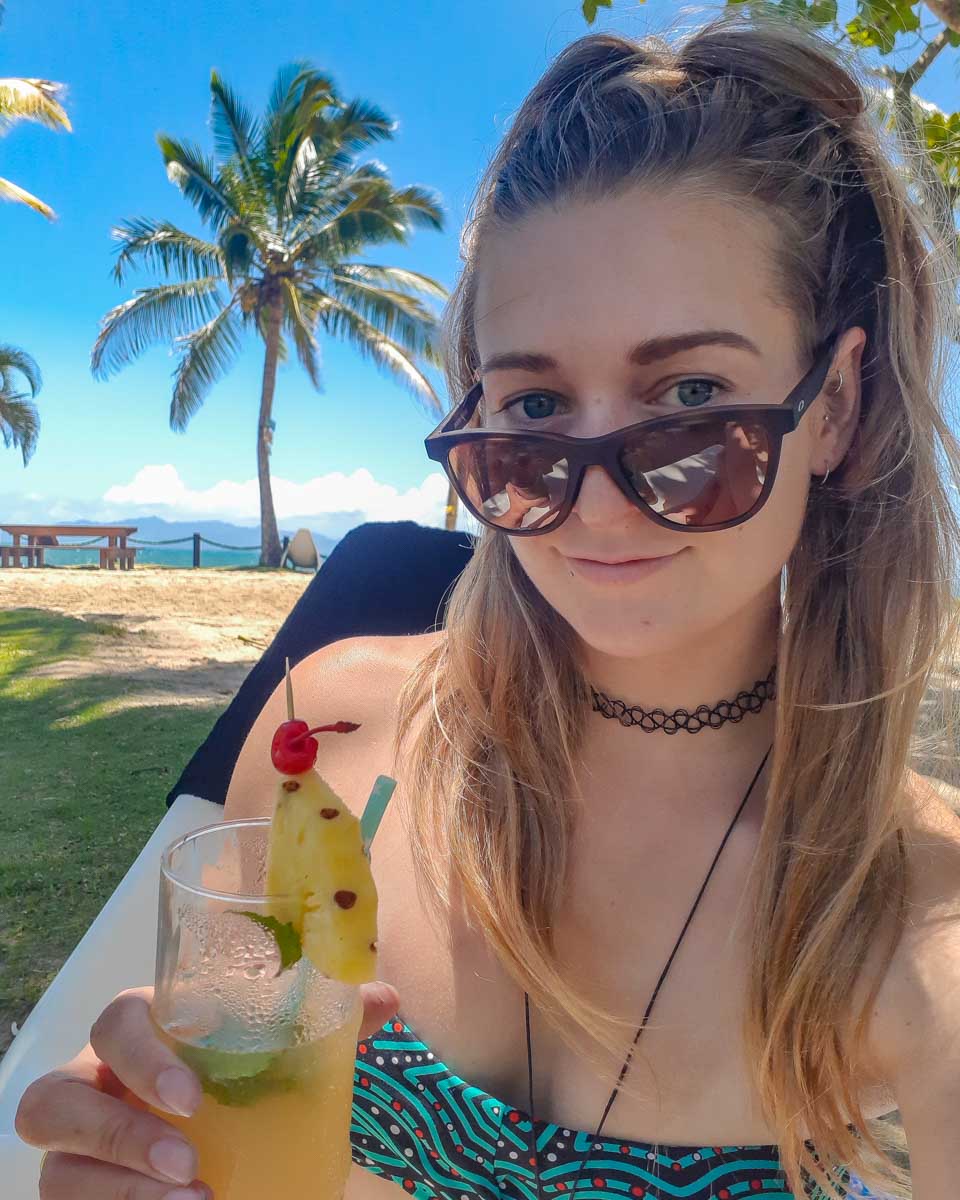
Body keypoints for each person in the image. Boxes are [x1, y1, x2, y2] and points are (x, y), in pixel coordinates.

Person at [15, 10, 960, 1200]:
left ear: (834, 405)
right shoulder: (331, 747)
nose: (598, 502)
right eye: (530, 411)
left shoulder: (925, 924)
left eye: (690, 395)